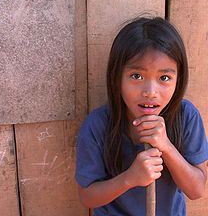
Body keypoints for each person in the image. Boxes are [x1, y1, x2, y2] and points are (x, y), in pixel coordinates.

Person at [75, 17, 208, 215]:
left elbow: (197, 190)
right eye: (136, 76)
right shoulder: (98, 125)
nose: (150, 92)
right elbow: (87, 197)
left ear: (178, 80)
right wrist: (129, 178)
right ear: (116, 76)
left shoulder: (186, 116)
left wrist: (166, 147)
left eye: (164, 78)